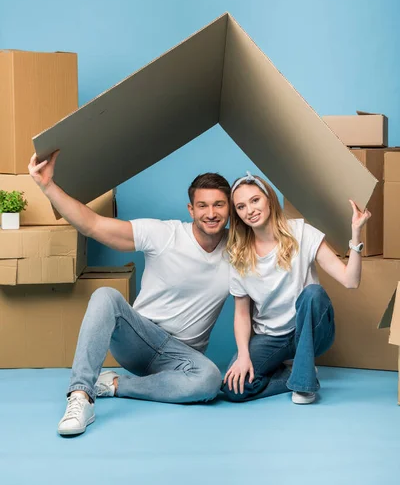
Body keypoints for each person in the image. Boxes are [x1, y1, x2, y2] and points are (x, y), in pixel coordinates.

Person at [28, 152, 231, 436]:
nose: (211, 213)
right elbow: (92, 225)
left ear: (230, 208)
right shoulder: (165, 234)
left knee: (210, 380)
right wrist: (47, 185)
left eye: (219, 204)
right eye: (203, 205)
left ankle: (113, 385)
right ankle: (81, 397)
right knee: (106, 296)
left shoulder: (240, 251)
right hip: (140, 340)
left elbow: (278, 253)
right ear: (191, 209)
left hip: (183, 358)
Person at [221, 172, 371, 405]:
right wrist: (243, 356)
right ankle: (296, 373)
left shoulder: (302, 233)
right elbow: (241, 313)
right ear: (237, 214)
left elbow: (350, 281)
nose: (249, 210)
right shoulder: (239, 254)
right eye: (241, 206)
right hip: (271, 337)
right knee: (234, 389)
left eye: (255, 200)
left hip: (311, 329)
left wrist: (356, 234)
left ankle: (304, 383)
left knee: (313, 294)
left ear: (268, 199)